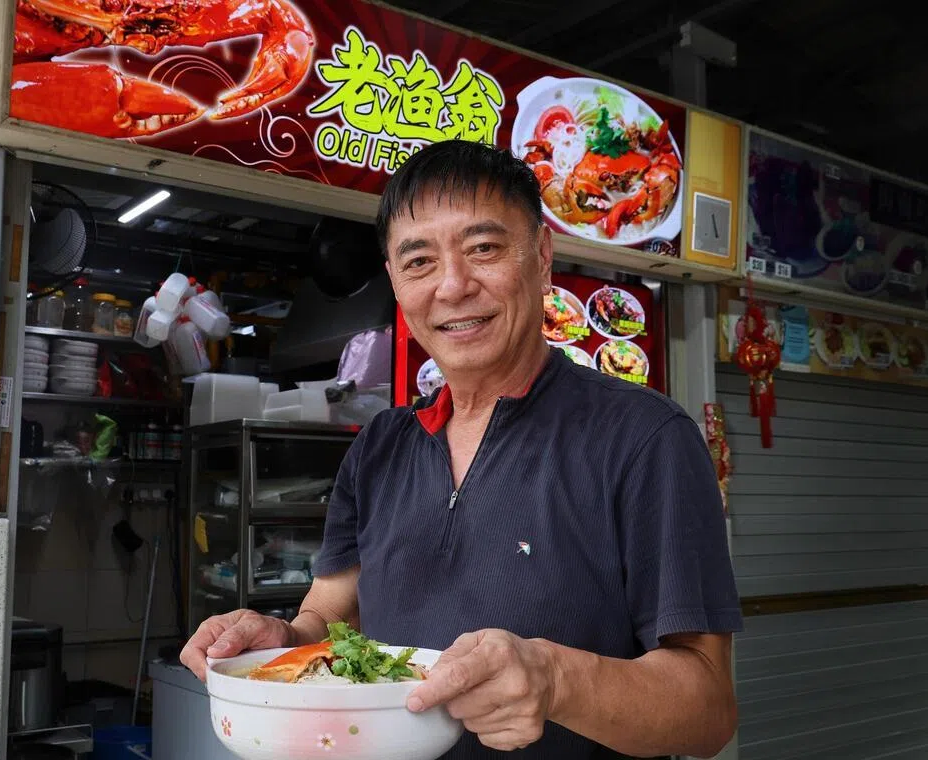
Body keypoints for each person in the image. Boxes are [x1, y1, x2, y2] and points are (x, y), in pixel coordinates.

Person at [181, 140, 743, 759]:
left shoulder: (643, 439)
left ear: (542, 257)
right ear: (396, 281)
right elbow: (329, 622)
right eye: (419, 261)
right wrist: (279, 639)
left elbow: (708, 709)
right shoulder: (379, 448)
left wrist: (554, 681)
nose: (453, 286)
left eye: (484, 249)